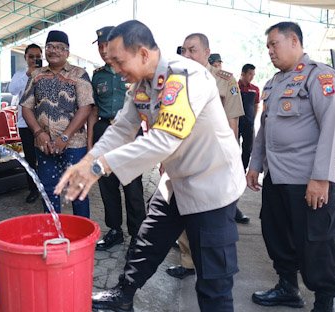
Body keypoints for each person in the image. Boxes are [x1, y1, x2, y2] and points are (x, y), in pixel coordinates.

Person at [54, 20, 245, 312]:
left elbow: (164, 140)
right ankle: (124, 295)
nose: (116, 69)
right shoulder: (142, 84)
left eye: (118, 61)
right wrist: (88, 161)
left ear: (143, 54)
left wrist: (99, 168)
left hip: (211, 183)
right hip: (178, 179)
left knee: (212, 277)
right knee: (147, 241)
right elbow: (121, 129)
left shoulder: (183, 76)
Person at [247, 21, 335, 312]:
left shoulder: (320, 76)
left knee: (316, 243)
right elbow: (264, 129)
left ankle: (324, 301)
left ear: (294, 42)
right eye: (267, 47)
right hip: (277, 177)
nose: (270, 52)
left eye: (274, 45)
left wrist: (322, 178)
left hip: (308, 179)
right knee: (276, 235)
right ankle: (288, 288)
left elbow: (332, 128)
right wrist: (255, 164)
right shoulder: (274, 83)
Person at [164, 33, 249, 281]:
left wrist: (230, 163)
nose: (187, 56)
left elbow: (233, 124)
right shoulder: (176, 81)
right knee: (184, 211)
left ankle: (212, 270)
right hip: (184, 159)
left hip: (214, 162)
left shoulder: (224, 81)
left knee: (212, 222)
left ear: (207, 52)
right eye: (184, 51)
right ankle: (188, 262)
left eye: (193, 50)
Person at [20, 30, 93, 218]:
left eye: (60, 48)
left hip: (74, 144)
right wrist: (38, 132)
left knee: (77, 192)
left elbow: (85, 109)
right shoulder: (36, 75)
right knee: (48, 190)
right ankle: (52, 233)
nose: (54, 51)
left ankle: (82, 237)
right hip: (44, 145)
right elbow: (26, 108)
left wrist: (64, 137)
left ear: (67, 53)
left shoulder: (79, 74)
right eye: (50, 47)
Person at [87, 26, 146, 251]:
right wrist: (91, 143)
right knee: (107, 185)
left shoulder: (133, 70)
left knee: (132, 187)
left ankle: (137, 235)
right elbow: (93, 111)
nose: (103, 50)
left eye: (107, 45)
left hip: (129, 132)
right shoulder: (98, 75)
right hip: (104, 130)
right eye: (100, 46)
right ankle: (114, 231)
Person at [9, 43, 43, 203]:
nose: (35, 60)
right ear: (25, 58)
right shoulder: (20, 75)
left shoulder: (47, 74)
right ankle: (33, 189)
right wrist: (29, 74)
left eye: (38, 57)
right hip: (25, 124)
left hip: (45, 124)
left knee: (46, 157)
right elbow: (13, 90)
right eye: (31, 57)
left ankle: (48, 188)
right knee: (30, 159)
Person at [238, 64, 260, 171]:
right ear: (243, 74)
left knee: (248, 148)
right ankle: (233, 169)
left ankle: (243, 169)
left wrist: (253, 119)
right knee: (233, 146)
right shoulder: (234, 87)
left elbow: (256, 105)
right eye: (250, 74)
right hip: (236, 122)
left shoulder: (255, 89)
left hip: (249, 122)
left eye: (253, 74)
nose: (252, 77)